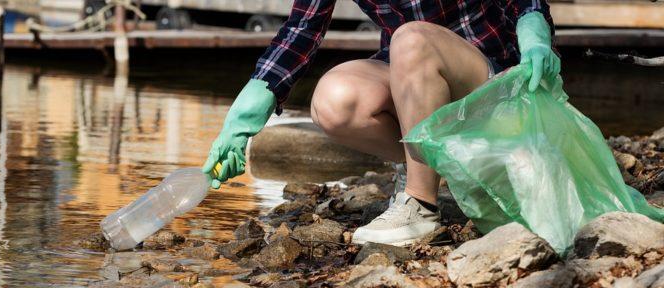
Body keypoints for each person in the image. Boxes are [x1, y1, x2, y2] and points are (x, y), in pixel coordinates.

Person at [202, 0, 560, 246]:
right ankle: (448, 171)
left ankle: (420, 205)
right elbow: (301, 30)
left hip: (494, 79)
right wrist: (242, 121)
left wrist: (535, 36)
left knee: (411, 38)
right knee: (334, 100)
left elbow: (524, 3)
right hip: (412, 80)